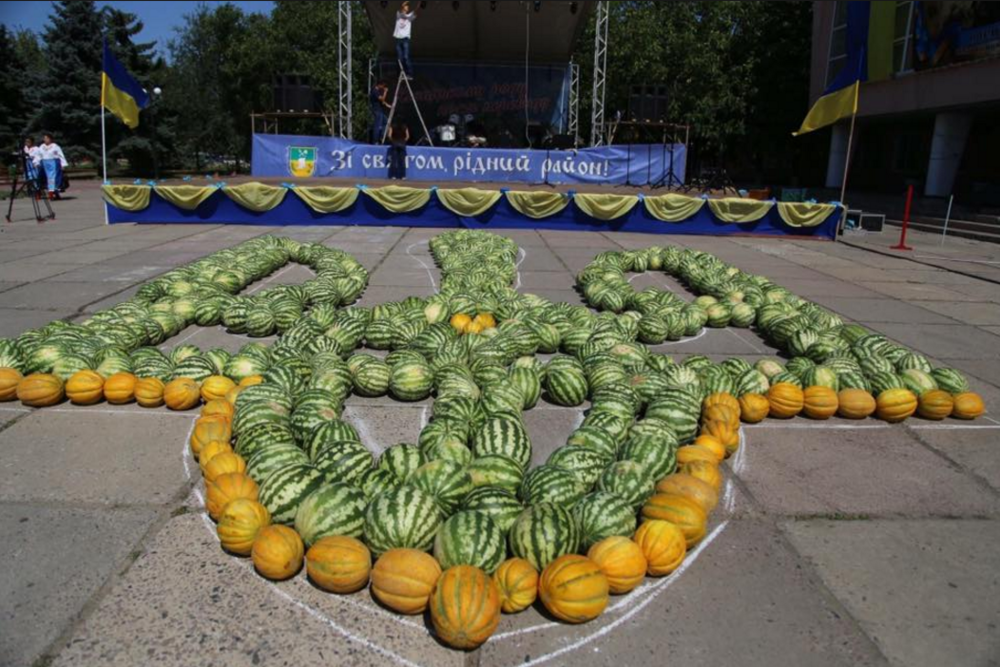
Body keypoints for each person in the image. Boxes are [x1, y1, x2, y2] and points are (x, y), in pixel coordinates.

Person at [36, 133, 68, 200]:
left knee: (52, 178)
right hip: (44, 164)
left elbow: (60, 155)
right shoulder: (42, 146)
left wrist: (63, 164)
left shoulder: (55, 146)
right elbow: (38, 155)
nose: (45, 140)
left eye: (47, 138)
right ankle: (51, 192)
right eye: (44, 138)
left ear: (50, 139)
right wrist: (36, 162)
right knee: (44, 178)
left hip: (53, 163)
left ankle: (52, 193)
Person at [394, 1, 417, 79]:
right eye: (405, 7)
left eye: (407, 7)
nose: (406, 8)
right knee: (399, 58)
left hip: (405, 39)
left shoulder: (409, 16)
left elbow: (416, 10)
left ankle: (409, 74)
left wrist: (420, 3)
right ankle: (398, 74)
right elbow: (400, 10)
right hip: (398, 39)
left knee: (406, 57)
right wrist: (403, 5)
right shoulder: (398, 14)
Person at [370, 80, 391, 144]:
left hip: (380, 110)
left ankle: (381, 136)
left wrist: (387, 105)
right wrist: (385, 92)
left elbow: (382, 101)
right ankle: (375, 140)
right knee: (377, 125)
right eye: (383, 86)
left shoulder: (377, 91)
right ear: (379, 85)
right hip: (377, 110)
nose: (383, 87)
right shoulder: (375, 91)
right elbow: (382, 99)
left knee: (386, 122)